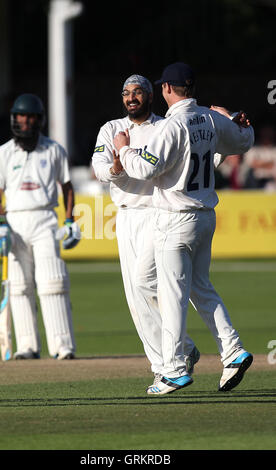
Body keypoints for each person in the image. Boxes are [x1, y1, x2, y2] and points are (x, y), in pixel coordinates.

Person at [114, 62, 254, 395]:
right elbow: (243, 142)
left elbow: (146, 169)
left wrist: (123, 147)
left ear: (166, 89)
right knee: (198, 287)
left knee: (173, 294)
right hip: (205, 216)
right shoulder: (210, 117)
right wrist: (233, 117)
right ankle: (233, 352)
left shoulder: (171, 126)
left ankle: (174, 369)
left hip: (175, 218)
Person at [92, 75, 200, 388]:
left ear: (150, 96)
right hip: (126, 217)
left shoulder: (164, 127)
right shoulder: (112, 129)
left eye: (137, 92)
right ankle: (180, 352)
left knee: (152, 286)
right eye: (126, 93)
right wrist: (113, 169)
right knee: (138, 298)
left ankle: (168, 364)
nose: (131, 98)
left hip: (159, 212)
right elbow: (98, 166)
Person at [0, 93, 81, 360]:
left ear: (39, 120)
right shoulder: (3, 153)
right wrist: (0, 223)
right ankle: (27, 346)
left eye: (30, 117)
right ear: (14, 119)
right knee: (18, 286)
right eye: (20, 116)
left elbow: (67, 188)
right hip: (15, 222)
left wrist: (70, 220)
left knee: (52, 282)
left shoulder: (53, 150)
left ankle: (63, 346)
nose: (24, 121)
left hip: (45, 219)